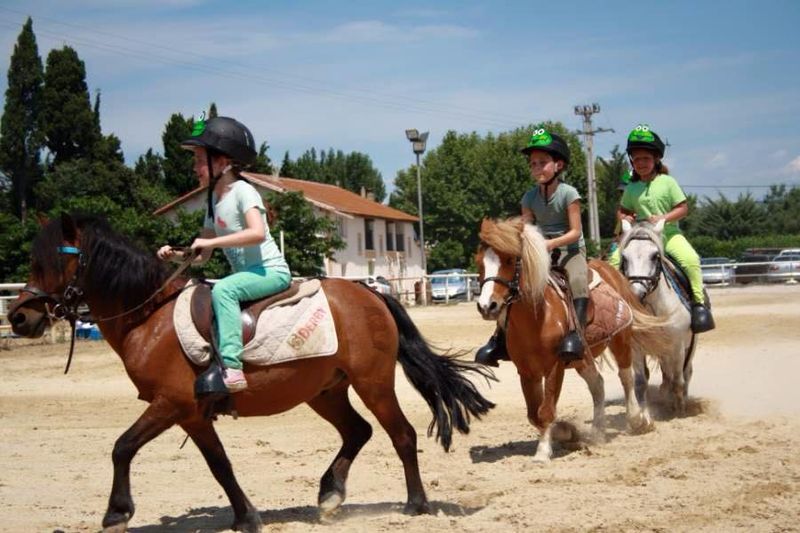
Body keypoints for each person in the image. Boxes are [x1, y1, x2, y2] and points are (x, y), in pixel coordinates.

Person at [157, 115, 292, 391]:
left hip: (271, 272)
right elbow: (201, 256)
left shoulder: (244, 191)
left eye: (199, 160)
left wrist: (212, 244)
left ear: (221, 162)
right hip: (247, 275)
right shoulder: (212, 203)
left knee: (224, 291)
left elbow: (257, 233)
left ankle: (232, 368)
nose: (195, 168)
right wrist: (177, 255)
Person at [476, 128, 588, 366]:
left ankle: (575, 336)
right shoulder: (528, 197)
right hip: (539, 253)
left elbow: (575, 232)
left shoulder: (569, 194)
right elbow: (525, 228)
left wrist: (549, 243)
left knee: (578, 281)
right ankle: (499, 338)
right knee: (515, 287)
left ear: (558, 165)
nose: (537, 168)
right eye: (533, 163)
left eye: (543, 163)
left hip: (570, 251)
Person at [608, 124, 714, 333]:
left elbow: (683, 208)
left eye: (646, 159)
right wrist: (626, 216)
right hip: (640, 237)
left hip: (669, 234)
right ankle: (615, 308)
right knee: (612, 262)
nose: (641, 163)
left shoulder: (668, 182)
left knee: (691, 260)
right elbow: (622, 211)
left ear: (656, 159)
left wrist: (664, 218)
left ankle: (699, 305)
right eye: (637, 159)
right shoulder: (631, 187)